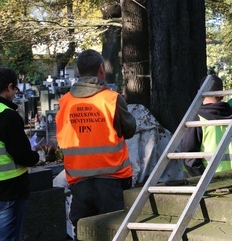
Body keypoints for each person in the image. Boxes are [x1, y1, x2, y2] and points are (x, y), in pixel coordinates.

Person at [56, 49, 136, 240]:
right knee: (115, 233)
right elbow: (130, 130)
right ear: (101, 68)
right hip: (112, 180)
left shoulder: (65, 102)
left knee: (83, 232)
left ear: (78, 71)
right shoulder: (112, 99)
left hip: (79, 182)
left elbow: (61, 138)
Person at [183, 75, 232, 177]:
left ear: (199, 93)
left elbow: (189, 158)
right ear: (222, 95)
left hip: (205, 186)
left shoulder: (196, 120)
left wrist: (205, 180)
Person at [0, 67, 39, 241]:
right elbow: (22, 156)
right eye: (15, 88)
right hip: (9, 189)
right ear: (9, 87)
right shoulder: (7, 116)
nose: (15, 92)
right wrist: (37, 156)